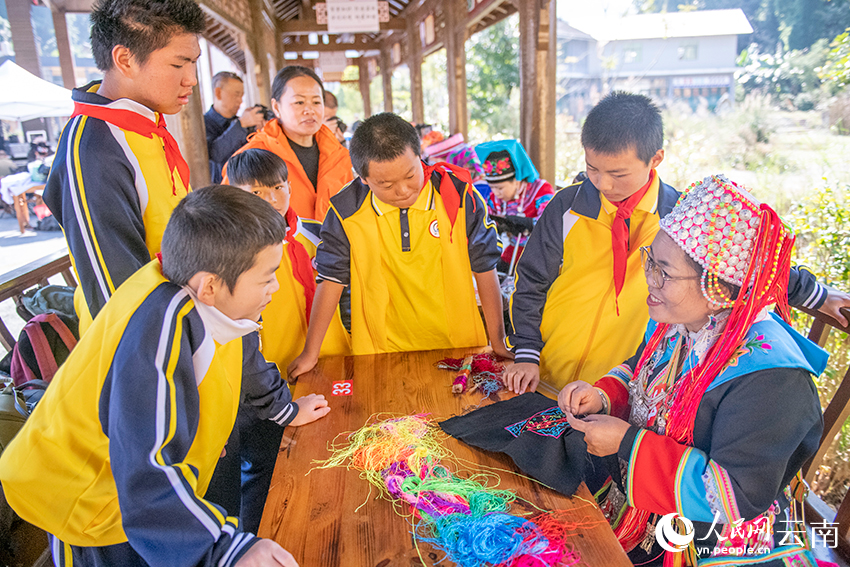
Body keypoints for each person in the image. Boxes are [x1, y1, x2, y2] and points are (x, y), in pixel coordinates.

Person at [0, 186, 333, 567]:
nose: (275, 288)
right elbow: (146, 465)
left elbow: (244, 352)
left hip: (140, 500)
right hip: (93, 506)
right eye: (268, 277)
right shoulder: (158, 328)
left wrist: (286, 411)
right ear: (210, 285)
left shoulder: (202, 296)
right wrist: (224, 549)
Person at [502, 91, 850, 394]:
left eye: (618, 173)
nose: (602, 184)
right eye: (593, 168)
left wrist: (816, 295)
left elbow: (748, 262)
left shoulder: (681, 217)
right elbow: (531, 281)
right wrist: (527, 352)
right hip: (544, 374)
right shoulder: (567, 206)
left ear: (656, 159)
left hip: (616, 387)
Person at [560, 174, 827, 566]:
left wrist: (628, 443)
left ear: (717, 289)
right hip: (645, 509)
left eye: (664, 273)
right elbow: (643, 370)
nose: (649, 281)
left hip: (711, 541)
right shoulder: (681, 321)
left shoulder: (771, 379)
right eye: (650, 261)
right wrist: (603, 395)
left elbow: (734, 496)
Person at [287, 112, 512, 377]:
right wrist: (310, 353)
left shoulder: (458, 195)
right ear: (363, 178)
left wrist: (498, 341)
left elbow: (484, 267)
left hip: (460, 348)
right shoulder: (345, 210)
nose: (403, 190)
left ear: (421, 157)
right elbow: (330, 280)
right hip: (379, 353)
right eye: (386, 184)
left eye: (409, 175)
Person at [42, 0, 204, 335]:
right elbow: (117, 297)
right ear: (125, 59)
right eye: (179, 64)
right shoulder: (94, 147)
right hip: (153, 349)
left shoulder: (144, 126)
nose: (191, 79)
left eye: (194, 63)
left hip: (187, 325)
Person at [218, 149, 351, 532]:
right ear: (233, 192)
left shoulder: (313, 231)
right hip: (260, 382)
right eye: (257, 194)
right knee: (263, 469)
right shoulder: (231, 249)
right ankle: (259, 539)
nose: (273, 201)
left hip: (320, 363)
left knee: (320, 459)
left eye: (278, 188)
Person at [225, 66, 353, 221]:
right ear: (277, 107)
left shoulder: (339, 155)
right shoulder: (252, 157)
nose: (309, 110)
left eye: (316, 102)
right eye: (299, 102)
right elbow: (228, 220)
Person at [475, 140, 554, 271]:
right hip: (511, 255)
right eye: (492, 187)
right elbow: (486, 217)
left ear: (517, 181)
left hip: (540, 258)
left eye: (500, 188)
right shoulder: (494, 198)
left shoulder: (541, 190)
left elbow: (550, 221)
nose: (495, 193)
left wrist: (529, 223)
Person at [205, 71, 265, 183]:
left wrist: (260, 131)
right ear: (218, 93)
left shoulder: (239, 122)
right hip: (219, 191)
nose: (240, 101)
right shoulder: (203, 124)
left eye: (242, 96)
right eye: (236, 95)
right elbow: (214, 154)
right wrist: (241, 124)